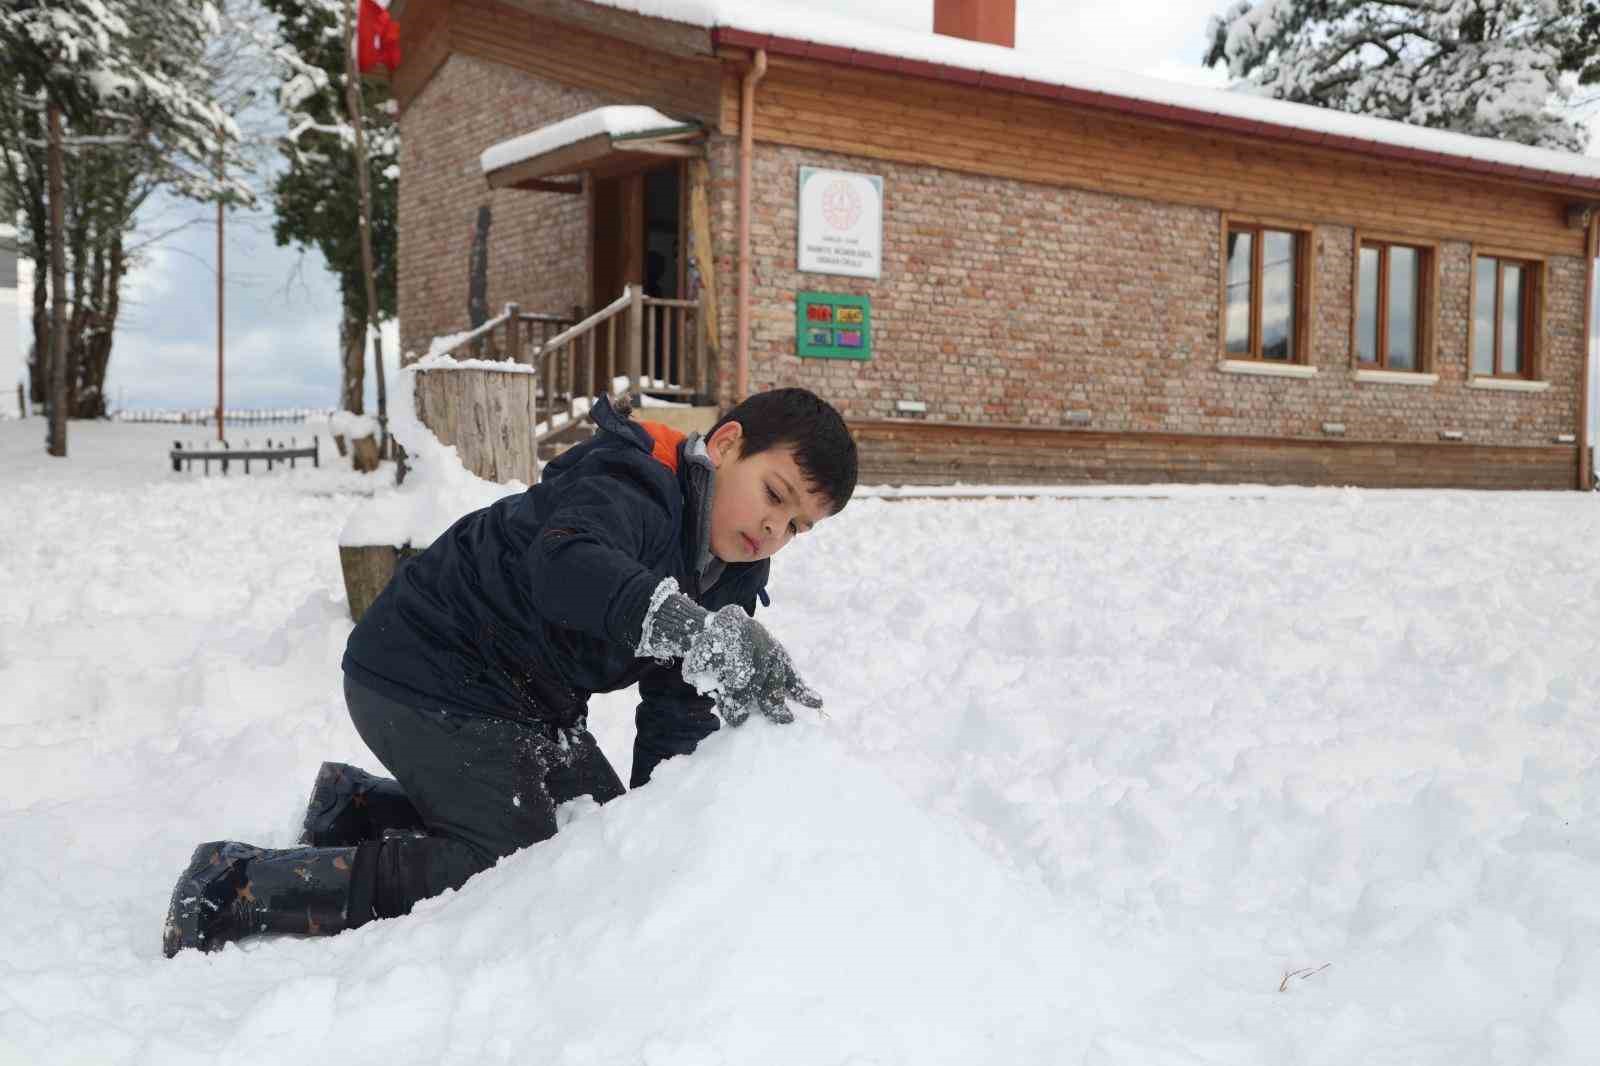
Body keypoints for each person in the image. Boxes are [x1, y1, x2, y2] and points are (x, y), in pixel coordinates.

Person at [162, 387, 858, 957]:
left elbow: (678, 705)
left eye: (797, 526)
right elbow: (567, 566)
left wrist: (664, 828)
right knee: (519, 868)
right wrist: (697, 632)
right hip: (425, 669)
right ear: (728, 445)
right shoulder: (634, 482)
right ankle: (238, 888)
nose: (774, 529)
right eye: (774, 494)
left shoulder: (731, 572)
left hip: (525, 704)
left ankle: (357, 808)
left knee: (595, 841)